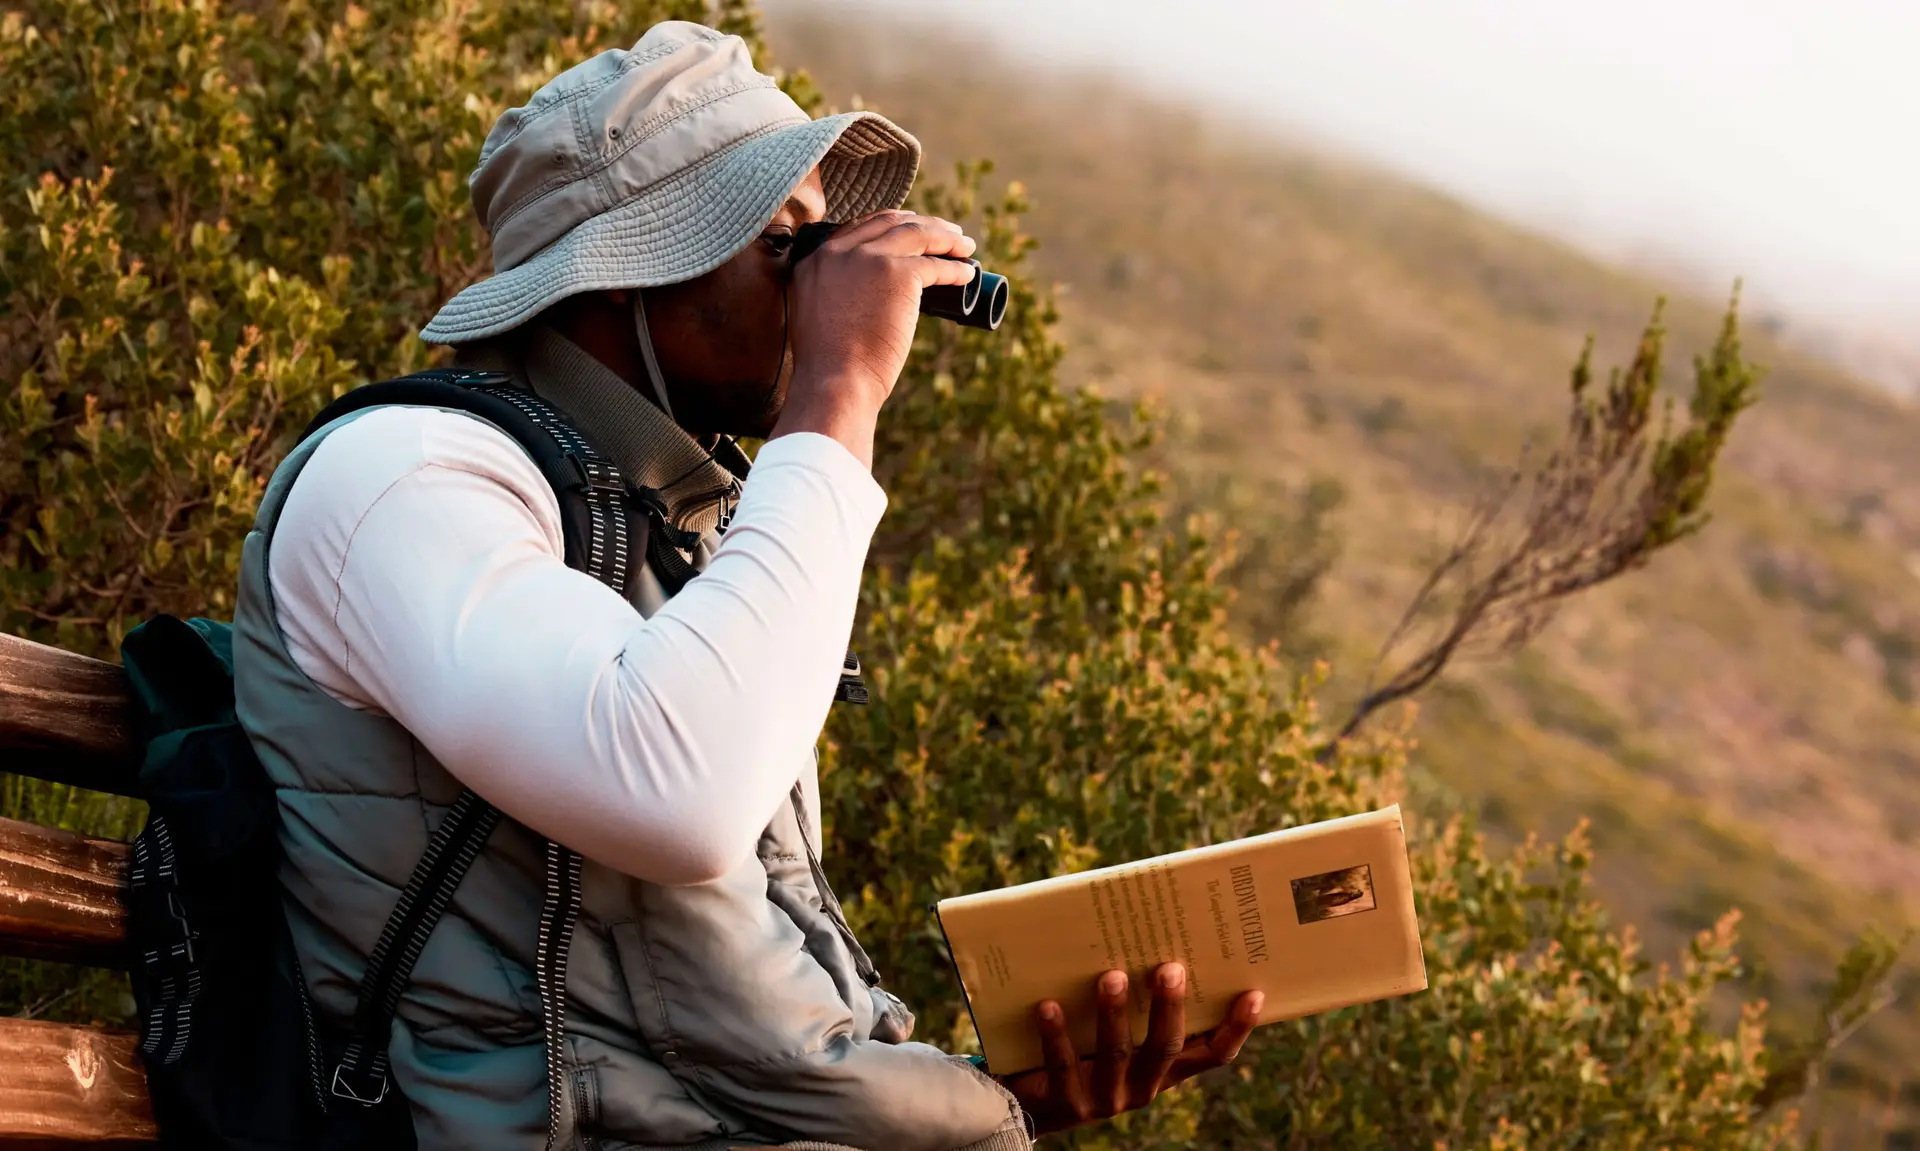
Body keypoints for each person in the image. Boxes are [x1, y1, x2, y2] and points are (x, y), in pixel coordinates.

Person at [232, 20, 1263, 1150]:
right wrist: (839, 392)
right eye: (786, 242)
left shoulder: (654, 523)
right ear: (626, 265)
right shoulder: (406, 477)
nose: (819, 285)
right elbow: (677, 796)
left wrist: (1004, 1095)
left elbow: (717, 1018)